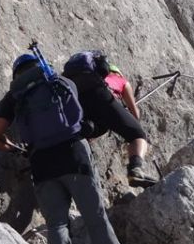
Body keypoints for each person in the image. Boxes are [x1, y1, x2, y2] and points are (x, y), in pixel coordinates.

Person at [0, 53, 131, 244]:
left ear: (17, 74)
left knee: (57, 224)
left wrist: (10, 146)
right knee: (96, 219)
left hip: (42, 163)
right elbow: (83, 118)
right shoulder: (60, 82)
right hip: (75, 154)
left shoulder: (15, 96)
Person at [62, 52, 156, 188]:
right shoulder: (121, 80)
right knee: (137, 135)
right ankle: (136, 170)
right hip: (102, 97)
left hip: (79, 99)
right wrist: (126, 121)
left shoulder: (84, 78)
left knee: (93, 128)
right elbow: (135, 113)